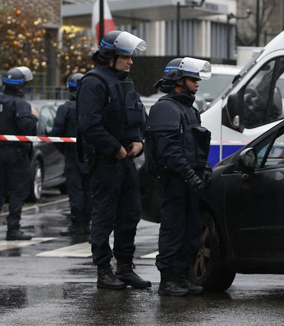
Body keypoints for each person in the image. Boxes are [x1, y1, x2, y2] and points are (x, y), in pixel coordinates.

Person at [77, 30, 151, 290]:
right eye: (125, 57)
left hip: (126, 161)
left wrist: (139, 142)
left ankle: (124, 267)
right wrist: (115, 149)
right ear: (110, 57)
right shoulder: (94, 82)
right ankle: (103, 270)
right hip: (105, 162)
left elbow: (140, 119)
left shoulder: (126, 82)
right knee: (104, 216)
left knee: (129, 214)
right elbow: (90, 126)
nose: (130, 62)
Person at [146, 57, 213, 296]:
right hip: (173, 180)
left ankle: (183, 278)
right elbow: (170, 151)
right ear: (178, 80)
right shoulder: (165, 108)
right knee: (173, 230)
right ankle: (168, 281)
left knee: (191, 229)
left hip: (189, 180)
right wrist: (189, 175)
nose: (197, 84)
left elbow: (198, 146)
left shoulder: (189, 109)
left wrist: (203, 170)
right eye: (192, 79)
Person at [0, 66, 39, 242]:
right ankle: (13, 228)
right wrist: (34, 117)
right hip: (17, 153)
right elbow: (28, 129)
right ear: (20, 86)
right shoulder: (20, 104)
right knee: (18, 191)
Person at [52, 73, 91, 237]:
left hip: (72, 154)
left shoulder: (65, 108)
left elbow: (56, 133)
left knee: (75, 189)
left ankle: (77, 223)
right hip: (89, 154)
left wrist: (65, 149)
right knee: (89, 190)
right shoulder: (92, 107)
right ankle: (87, 223)